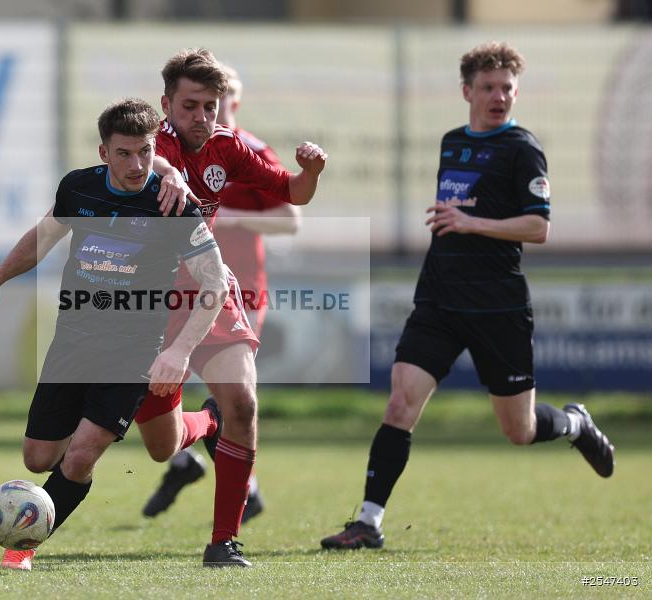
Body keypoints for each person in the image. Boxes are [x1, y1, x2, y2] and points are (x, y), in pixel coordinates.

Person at [319, 41, 615, 551]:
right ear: (467, 91)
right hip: (439, 299)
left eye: (507, 88)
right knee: (399, 402)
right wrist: (455, 222)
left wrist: (470, 221)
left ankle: (573, 423)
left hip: (497, 305)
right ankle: (367, 522)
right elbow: (454, 213)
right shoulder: (451, 143)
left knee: (518, 430)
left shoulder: (523, 148)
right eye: (488, 87)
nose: (499, 96)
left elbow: (538, 227)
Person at [0, 98, 229, 570]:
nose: (136, 164)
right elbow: (43, 237)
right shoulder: (78, 188)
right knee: (38, 458)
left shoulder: (173, 205)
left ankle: (20, 548)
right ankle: (209, 420)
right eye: (124, 154)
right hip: (74, 341)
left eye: (145, 152)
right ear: (104, 153)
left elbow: (216, 282)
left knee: (80, 457)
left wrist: (180, 350)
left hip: (133, 352)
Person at [132, 48, 326, 567]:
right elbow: (153, 155)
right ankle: (204, 425)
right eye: (190, 105)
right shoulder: (146, 139)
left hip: (208, 291)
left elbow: (293, 195)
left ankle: (224, 541)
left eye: (211, 106)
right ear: (166, 104)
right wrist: (168, 171)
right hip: (147, 303)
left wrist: (311, 172)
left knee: (243, 403)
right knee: (161, 445)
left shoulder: (228, 146)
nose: (202, 117)